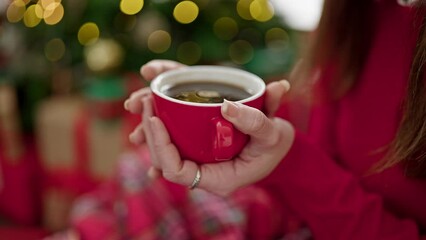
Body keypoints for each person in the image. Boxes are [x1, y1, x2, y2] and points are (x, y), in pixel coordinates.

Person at [124, 0, 426, 239]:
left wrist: (289, 158)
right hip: (308, 211)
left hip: (319, 216)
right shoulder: (359, 11)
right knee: (133, 176)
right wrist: (199, 111)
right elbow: (322, 132)